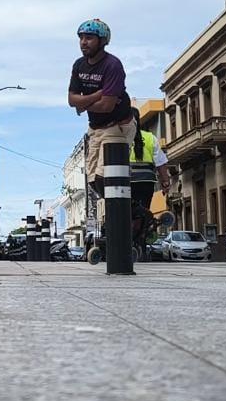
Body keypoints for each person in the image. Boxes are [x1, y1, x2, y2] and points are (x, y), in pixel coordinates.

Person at [67, 19, 136, 200]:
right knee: (92, 181)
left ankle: (131, 213)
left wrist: (83, 104)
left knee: (104, 176)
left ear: (102, 41)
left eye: (89, 38)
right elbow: (71, 99)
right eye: (81, 38)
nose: (83, 42)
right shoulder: (79, 65)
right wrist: (96, 95)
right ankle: (129, 212)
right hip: (95, 127)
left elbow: (107, 106)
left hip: (117, 126)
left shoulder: (112, 65)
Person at [130, 116, 170, 259]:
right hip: (146, 182)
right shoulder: (149, 137)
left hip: (127, 182)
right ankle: (141, 240)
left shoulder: (121, 137)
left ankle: (129, 240)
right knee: (144, 210)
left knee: (127, 212)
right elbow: (161, 163)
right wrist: (165, 183)